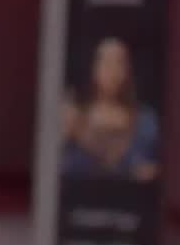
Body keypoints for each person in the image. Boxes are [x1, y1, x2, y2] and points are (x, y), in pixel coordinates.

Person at [60, 35, 161, 181]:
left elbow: (152, 169)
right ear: (93, 69)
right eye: (106, 62)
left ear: (128, 71)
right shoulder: (73, 117)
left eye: (119, 63)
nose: (112, 71)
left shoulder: (146, 121)